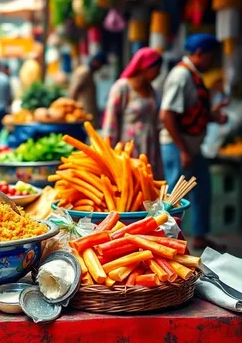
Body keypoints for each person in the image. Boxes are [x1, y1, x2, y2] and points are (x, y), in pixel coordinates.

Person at [160, 34, 227, 250]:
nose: (213, 61)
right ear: (199, 54)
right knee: (175, 194)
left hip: (193, 146)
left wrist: (214, 115)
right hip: (178, 145)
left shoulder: (194, 75)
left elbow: (191, 113)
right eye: (211, 56)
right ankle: (164, 241)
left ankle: (199, 236)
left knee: (202, 189)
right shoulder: (181, 75)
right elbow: (167, 115)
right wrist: (183, 150)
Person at [102, 47, 163, 177]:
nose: (158, 74)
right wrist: (108, 154)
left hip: (150, 148)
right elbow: (110, 123)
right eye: (156, 69)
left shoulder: (151, 89)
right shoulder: (122, 87)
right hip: (128, 149)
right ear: (145, 67)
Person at [69, 52, 107, 128]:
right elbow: (74, 90)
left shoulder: (88, 72)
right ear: (96, 63)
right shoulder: (84, 72)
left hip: (88, 108)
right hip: (84, 108)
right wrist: (72, 108)